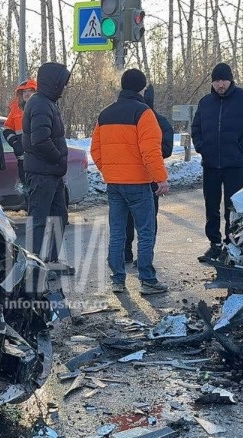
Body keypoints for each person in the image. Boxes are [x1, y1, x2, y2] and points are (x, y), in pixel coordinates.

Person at [91, 68, 170, 295]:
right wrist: (161, 179)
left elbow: (96, 149)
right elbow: (151, 151)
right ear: (142, 88)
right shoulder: (144, 113)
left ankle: (118, 280)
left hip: (114, 184)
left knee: (117, 232)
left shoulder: (104, 114)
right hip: (138, 184)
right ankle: (147, 280)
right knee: (146, 231)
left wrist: (108, 170)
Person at [191, 62, 243, 263]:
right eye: (216, 81)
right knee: (211, 205)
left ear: (230, 80)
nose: (220, 85)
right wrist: (201, 146)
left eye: (223, 80)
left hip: (235, 164)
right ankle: (214, 244)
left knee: (233, 207)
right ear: (212, 83)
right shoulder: (205, 103)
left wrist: (241, 147)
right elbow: (196, 128)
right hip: (211, 164)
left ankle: (232, 244)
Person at [22, 63, 72, 269]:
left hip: (51, 172)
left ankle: (50, 261)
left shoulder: (48, 102)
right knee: (39, 219)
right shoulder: (40, 103)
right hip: (43, 172)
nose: (64, 87)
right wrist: (58, 158)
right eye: (61, 83)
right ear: (53, 83)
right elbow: (40, 140)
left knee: (59, 216)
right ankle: (32, 264)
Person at [123, 83, 174, 264]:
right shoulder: (124, 117)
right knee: (127, 218)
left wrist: (147, 150)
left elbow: (166, 149)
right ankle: (126, 251)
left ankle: (145, 255)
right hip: (129, 175)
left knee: (148, 220)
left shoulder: (159, 121)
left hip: (150, 177)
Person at [2, 79, 37, 196]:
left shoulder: (42, 107)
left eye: (30, 91)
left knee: (39, 192)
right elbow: (7, 128)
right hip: (23, 159)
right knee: (27, 192)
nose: (26, 94)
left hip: (39, 159)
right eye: (24, 92)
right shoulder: (16, 110)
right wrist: (15, 143)